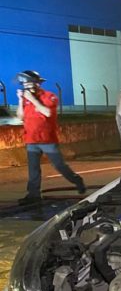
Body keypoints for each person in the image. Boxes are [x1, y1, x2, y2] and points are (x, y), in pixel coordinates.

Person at [16, 70, 85, 204]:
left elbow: (47, 112)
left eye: (28, 85)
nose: (25, 88)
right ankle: (33, 195)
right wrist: (20, 101)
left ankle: (77, 180)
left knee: (59, 165)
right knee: (33, 169)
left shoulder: (49, 96)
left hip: (47, 140)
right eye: (24, 86)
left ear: (36, 84)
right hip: (31, 139)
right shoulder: (25, 99)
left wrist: (32, 99)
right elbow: (20, 117)